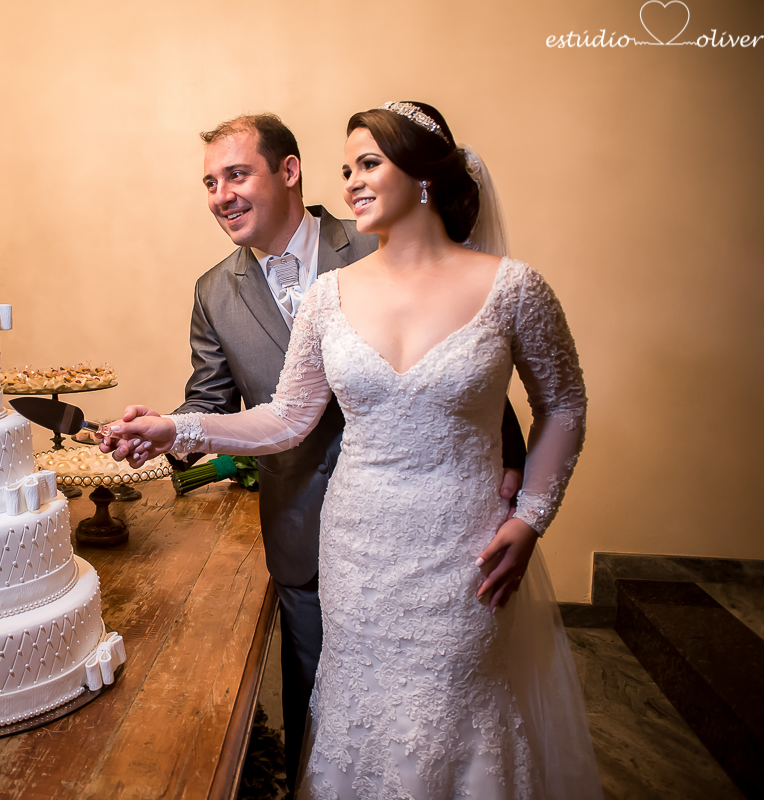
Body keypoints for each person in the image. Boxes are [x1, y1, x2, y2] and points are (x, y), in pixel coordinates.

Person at [105, 103, 601, 798]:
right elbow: (286, 418)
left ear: (423, 176)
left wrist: (530, 516)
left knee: (456, 718)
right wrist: (175, 429)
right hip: (355, 554)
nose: (352, 183)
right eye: (347, 169)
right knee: (350, 720)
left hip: (461, 549)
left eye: (369, 164)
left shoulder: (514, 288)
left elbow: (561, 404)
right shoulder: (327, 297)